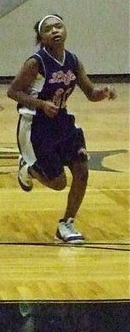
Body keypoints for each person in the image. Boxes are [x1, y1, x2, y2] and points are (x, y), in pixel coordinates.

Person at [7, 13, 116, 244]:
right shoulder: (35, 62)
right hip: (36, 123)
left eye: (58, 26)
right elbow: (13, 92)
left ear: (65, 30)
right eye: (48, 29)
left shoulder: (73, 61)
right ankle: (27, 168)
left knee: (82, 170)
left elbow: (90, 93)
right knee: (58, 183)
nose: (55, 31)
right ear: (41, 37)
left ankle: (66, 223)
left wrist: (103, 93)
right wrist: (41, 104)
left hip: (62, 120)